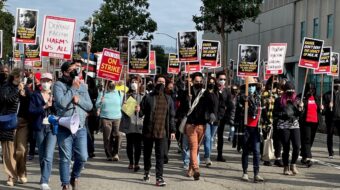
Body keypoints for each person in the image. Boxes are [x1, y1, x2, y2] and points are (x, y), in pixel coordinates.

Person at [53, 61, 93, 190]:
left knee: (83, 157)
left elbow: (90, 106)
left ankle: (74, 176)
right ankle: (65, 184)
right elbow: (62, 103)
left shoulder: (82, 86)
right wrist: (73, 89)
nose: (76, 72)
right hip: (65, 126)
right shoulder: (58, 85)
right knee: (65, 158)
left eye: (77, 70)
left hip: (80, 126)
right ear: (65, 72)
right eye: (72, 70)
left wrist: (79, 99)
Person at [140, 74, 176, 186]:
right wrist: (137, 108)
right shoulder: (148, 97)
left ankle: (159, 177)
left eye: (163, 82)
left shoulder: (168, 98)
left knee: (160, 155)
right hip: (148, 131)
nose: (161, 84)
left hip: (162, 132)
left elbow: (171, 116)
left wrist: (173, 130)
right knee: (147, 154)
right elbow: (141, 113)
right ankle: (146, 171)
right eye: (159, 81)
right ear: (155, 83)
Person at [29, 73, 56, 190]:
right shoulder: (35, 95)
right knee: (42, 155)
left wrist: (53, 103)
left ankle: (44, 180)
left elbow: (60, 110)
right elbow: (31, 110)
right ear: (40, 82)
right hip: (40, 128)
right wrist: (44, 107)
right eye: (44, 80)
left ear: (51, 82)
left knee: (48, 155)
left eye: (48, 81)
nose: (46, 83)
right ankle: (44, 174)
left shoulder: (54, 95)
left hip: (52, 128)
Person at [181, 72, 209, 180]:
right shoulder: (187, 92)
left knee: (197, 148)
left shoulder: (205, 93)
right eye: (196, 81)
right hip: (191, 124)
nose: (199, 83)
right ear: (192, 81)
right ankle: (196, 168)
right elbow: (182, 107)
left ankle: (190, 169)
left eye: (200, 81)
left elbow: (212, 104)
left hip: (202, 125)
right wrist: (187, 99)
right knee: (193, 146)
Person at [237, 77, 264, 183]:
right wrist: (244, 103)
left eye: (253, 85)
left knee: (257, 152)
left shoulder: (259, 97)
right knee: (246, 151)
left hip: (256, 128)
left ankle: (256, 173)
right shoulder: (242, 98)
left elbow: (261, 111)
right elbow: (238, 111)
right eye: (250, 86)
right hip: (246, 127)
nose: (252, 87)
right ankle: (245, 173)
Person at [273, 81, 302, 176]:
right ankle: (286, 167)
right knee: (286, 148)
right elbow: (275, 113)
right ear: (285, 91)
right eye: (288, 90)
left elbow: (300, 114)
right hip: (283, 126)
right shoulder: (279, 100)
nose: (291, 92)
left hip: (294, 125)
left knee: (297, 146)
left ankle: (293, 164)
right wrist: (283, 114)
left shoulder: (297, 100)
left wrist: (301, 108)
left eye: (292, 90)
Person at [0, 68, 21, 186]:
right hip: (9, 122)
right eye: (19, 77)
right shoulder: (6, 88)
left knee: (21, 151)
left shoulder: (24, 88)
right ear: (14, 77)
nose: (20, 79)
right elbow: (6, 100)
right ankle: (11, 175)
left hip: (22, 122)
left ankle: (20, 173)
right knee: (8, 150)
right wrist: (17, 91)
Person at [96, 81, 123, 161]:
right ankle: (109, 154)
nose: (112, 84)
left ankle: (116, 153)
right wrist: (100, 101)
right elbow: (97, 105)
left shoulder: (119, 92)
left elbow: (122, 104)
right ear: (106, 83)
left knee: (118, 135)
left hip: (117, 117)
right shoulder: (102, 93)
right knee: (107, 137)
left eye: (113, 82)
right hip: (105, 118)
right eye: (110, 82)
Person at [121, 76, 143, 172]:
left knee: (138, 145)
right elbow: (122, 110)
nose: (134, 83)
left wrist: (140, 109)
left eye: (136, 82)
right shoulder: (126, 95)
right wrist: (125, 106)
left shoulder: (143, 95)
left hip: (139, 124)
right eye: (132, 81)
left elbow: (147, 108)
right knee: (129, 143)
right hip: (129, 123)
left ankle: (137, 162)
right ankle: (131, 161)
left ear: (140, 84)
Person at [299, 83, 321, 167]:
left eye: (312, 89)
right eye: (309, 89)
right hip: (305, 122)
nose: (311, 91)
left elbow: (320, 109)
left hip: (315, 122)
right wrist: (300, 106)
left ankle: (304, 156)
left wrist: (322, 107)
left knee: (310, 140)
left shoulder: (317, 98)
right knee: (307, 139)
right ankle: (308, 157)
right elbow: (297, 106)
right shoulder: (302, 97)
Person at [203, 77, 223, 167]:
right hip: (206, 119)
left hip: (215, 120)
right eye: (209, 82)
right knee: (207, 137)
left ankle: (208, 155)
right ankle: (207, 157)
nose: (211, 84)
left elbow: (222, 106)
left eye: (213, 82)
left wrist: (218, 116)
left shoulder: (218, 93)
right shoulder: (203, 93)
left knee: (211, 138)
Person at [216, 71, 233, 162]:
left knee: (220, 136)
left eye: (224, 79)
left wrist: (228, 114)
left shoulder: (227, 91)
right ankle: (206, 153)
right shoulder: (213, 89)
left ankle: (219, 154)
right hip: (212, 116)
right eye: (221, 79)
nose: (222, 81)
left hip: (222, 117)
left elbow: (230, 103)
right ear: (217, 79)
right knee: (209, 137)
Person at [323, 79, 340, 158]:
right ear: (333, 85)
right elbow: (322, 109)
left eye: (338, 84)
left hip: (339, 118)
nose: (337, 86)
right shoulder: (327, 95)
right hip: (330, 118)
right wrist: (327, 106)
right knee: (330, 135)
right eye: (336, 84)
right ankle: (330, 152)